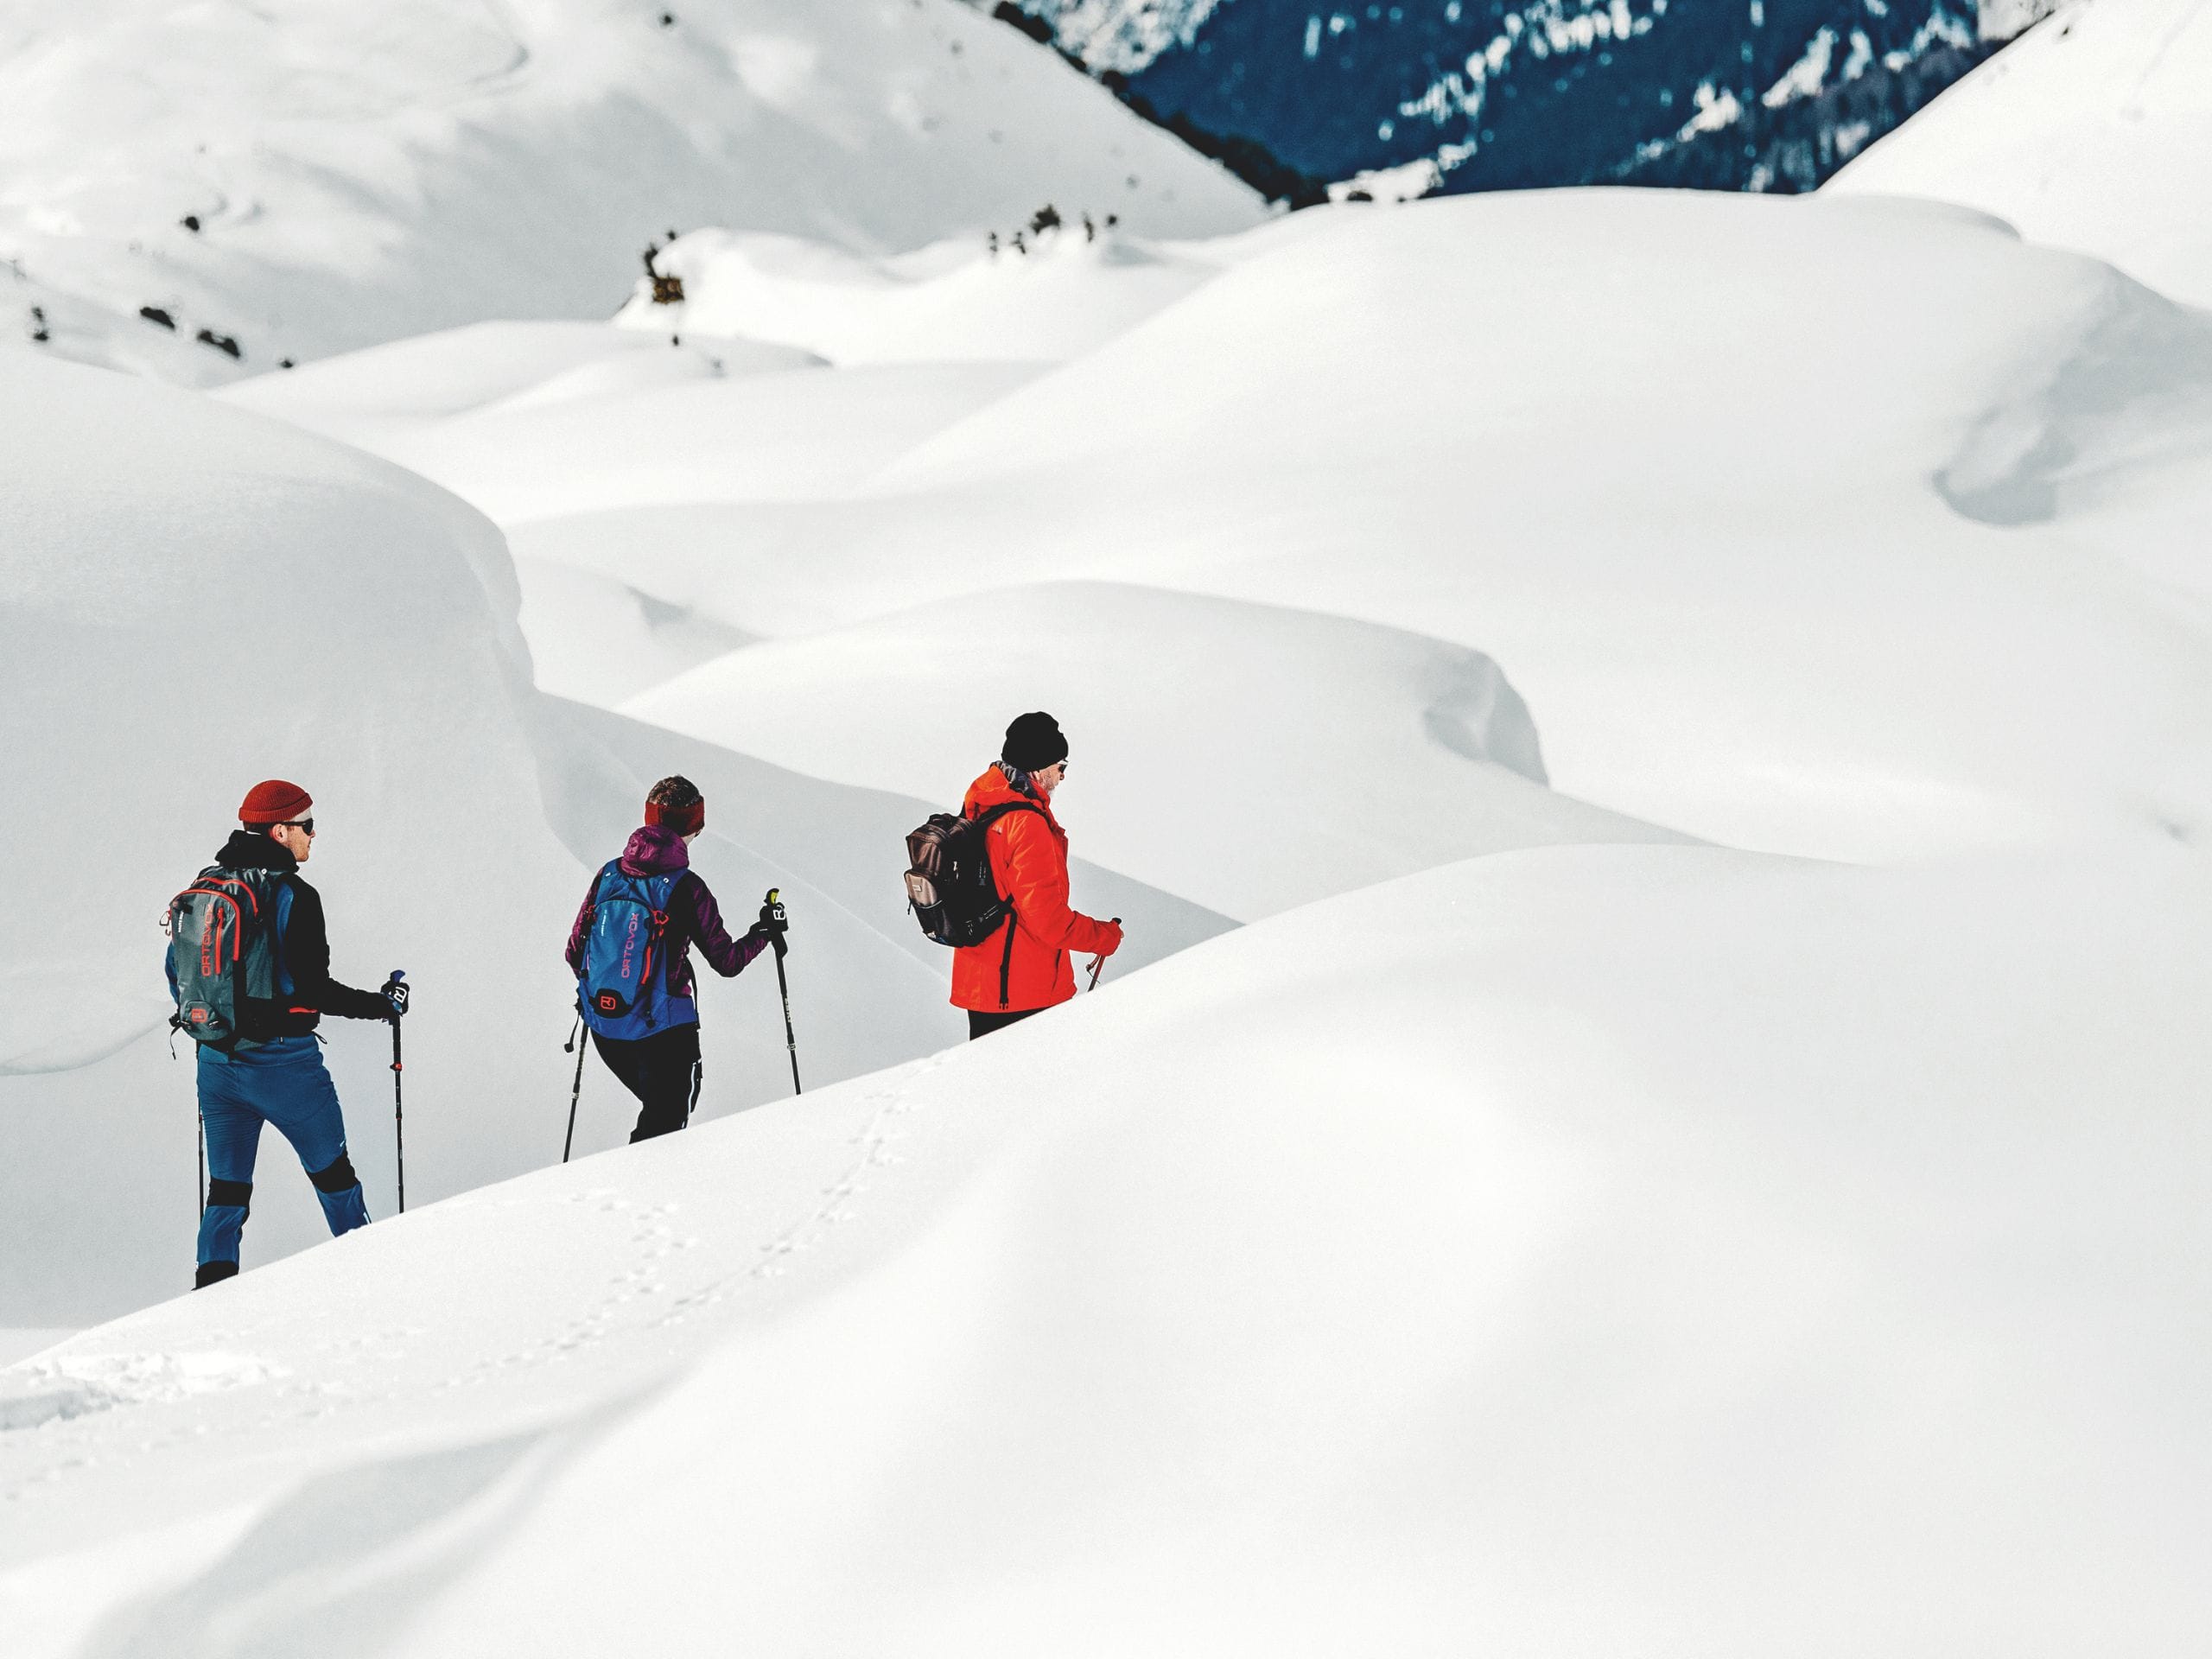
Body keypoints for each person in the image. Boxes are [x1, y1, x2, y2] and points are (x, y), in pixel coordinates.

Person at [171, 780, 402, 1289]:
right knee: (334, 1177)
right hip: (284, 1068)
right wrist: (382, 1005)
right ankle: (371, 1282)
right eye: (306, 826)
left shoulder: (206, 884)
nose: (313, 836)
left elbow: (178, 975)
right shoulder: (295, 895)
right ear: (280, 830)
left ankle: (209, 1296)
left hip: (215, 1064)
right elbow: (315, 989)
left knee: (227, 1192)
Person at [565, 776, 785, 1141]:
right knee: (667, 1126)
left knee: (657, 1121)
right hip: (663, 1034)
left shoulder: (608, 874)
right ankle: (633, 1193)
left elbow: (575, 952)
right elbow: (726, 962)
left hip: (606, 1027)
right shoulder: (687, 887)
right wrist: (764, 933)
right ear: (693, 827)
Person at [956, 712, 1122, 1039]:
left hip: (982, 983)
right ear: (1039, 766)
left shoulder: (982, 807)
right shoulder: (1026, 824)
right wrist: (1105, 937)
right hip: (1022, 991)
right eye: (1061, 766)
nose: (1062, 776)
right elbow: (1049, 920)